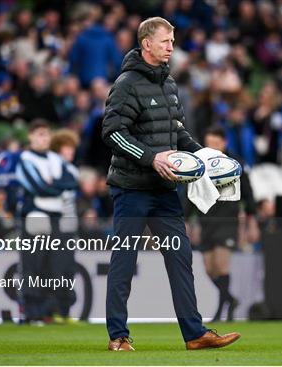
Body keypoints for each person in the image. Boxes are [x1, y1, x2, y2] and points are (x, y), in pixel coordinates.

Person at [101, 17, 240, 351]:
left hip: (164, 191)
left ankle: (194, 334)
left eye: (173, 41)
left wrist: (204, 155)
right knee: (125, 260)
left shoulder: (169, 84)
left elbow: (176, 132)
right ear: (146, 44)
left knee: (181, 259)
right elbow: (112, 132)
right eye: (166, 41)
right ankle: (118, 336)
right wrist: (152, 158)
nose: (171, 47)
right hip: (132, 188)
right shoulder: (126, 84)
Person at [188, 126, 258, 321]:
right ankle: (230, 299)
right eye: (209, 143)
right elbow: (191, 194)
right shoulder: (199, 165)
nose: (212, 147)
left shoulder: (235, 165)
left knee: (221, 264)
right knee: (210, 268)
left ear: (224, 143)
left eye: (216, 143)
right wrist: (187, 220)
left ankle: (221, 312)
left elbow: (248, 194)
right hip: (206, 221)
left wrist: (252, 223)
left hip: (228, 221)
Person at [15, 120, 79, 324]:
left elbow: (70, 181)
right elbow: (37, 187)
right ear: (30, 136)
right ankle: (31, 311)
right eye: (40, 134)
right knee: (33, 265)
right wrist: (55, 187)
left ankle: (48, 310)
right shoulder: (25, 159)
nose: (44, 139)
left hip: (55, 218)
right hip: (35, 215)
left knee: (52, 265)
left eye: (46, 134)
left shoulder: (54, 158)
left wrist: (52, 185)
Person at [48, 129, 80, 323]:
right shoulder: (52, 168)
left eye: (72, 148)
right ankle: (53, 310)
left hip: (70, 226)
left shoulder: (73, 171)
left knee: (68, 269)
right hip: (56, 225)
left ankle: (65, 311)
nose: (70, 152)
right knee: (56, 269)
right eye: (67, 148)